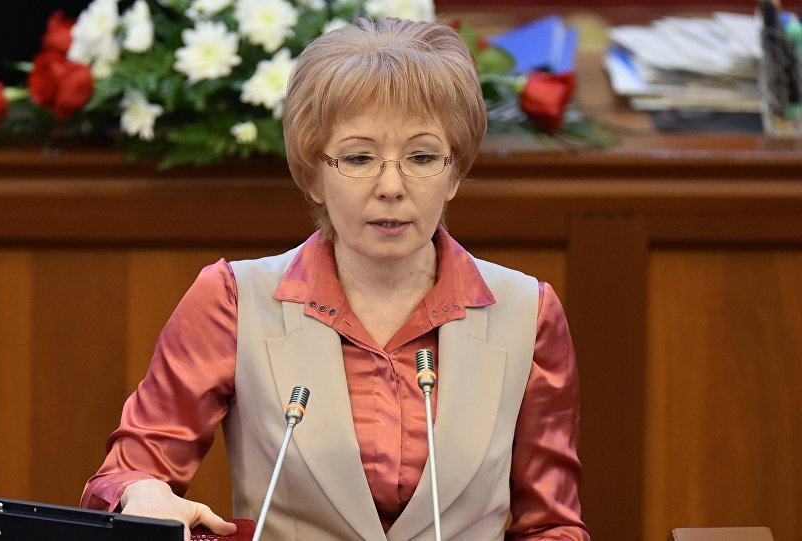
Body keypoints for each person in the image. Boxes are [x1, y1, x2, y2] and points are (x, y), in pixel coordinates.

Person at [81, 17, 589, 541]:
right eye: (358, 157)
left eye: (421, 157)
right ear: (313, 175)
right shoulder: (234, 300)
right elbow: (127, 475)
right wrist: (141, 492)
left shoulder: (526, 314)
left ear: (454, 172)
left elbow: (552, 525)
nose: (391, 186)